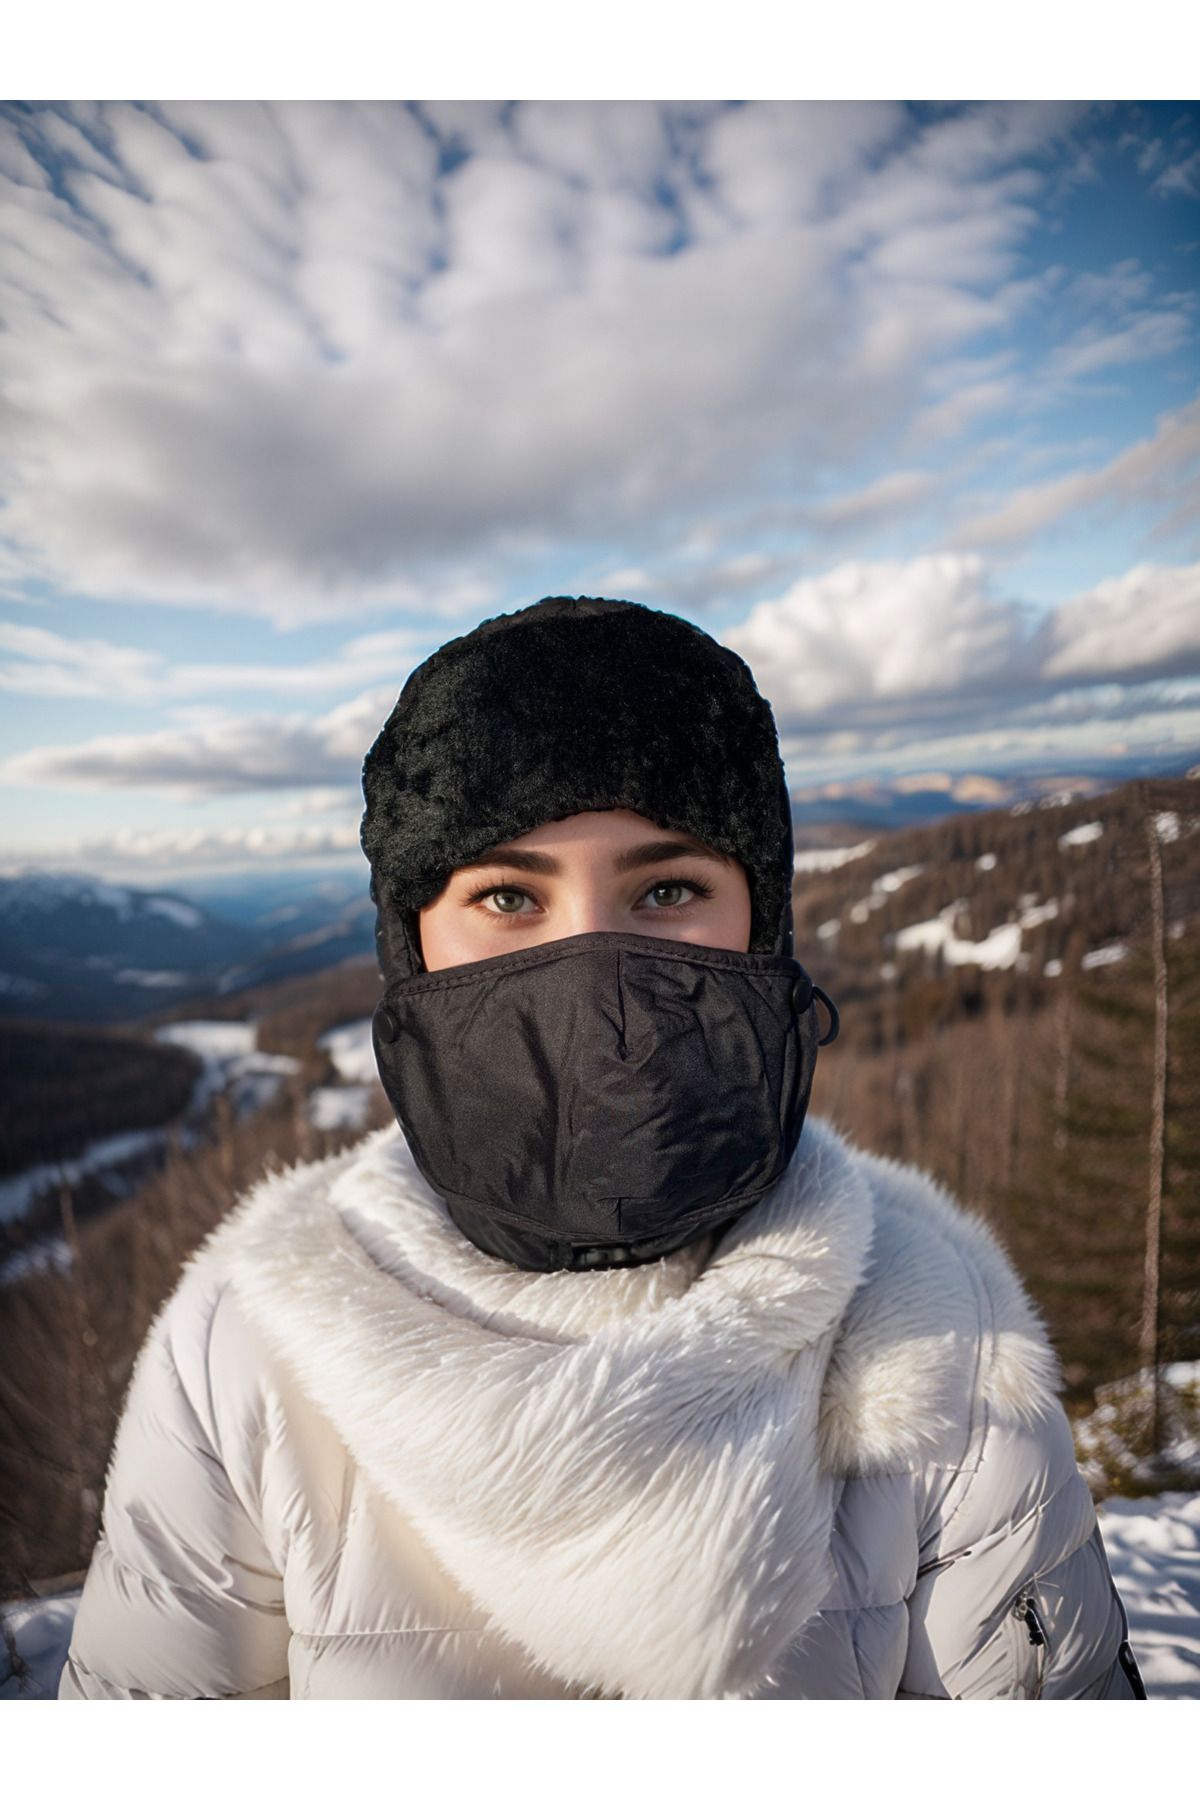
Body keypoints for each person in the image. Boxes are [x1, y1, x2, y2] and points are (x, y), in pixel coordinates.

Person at [59, 595, 1145, 1700]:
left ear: (759, 929)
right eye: (507, 894)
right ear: (413, 951)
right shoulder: (241, 1350)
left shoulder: (937, 1329)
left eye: (667, 889)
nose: (593, 967)